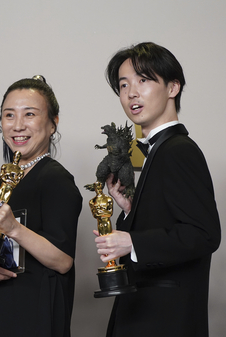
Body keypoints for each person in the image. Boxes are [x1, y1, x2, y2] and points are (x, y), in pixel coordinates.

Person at [94, 42, 221, 337]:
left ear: (173, 87)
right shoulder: (160, 150)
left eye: (143, 80)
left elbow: (204, 234)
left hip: (164, 320)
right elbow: (168, 224)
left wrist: (131, 243)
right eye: (123, 85)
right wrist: (129, 210)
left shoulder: (178, 150)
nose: (131, 93)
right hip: (145, 313)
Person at [0, 76, 82, 337]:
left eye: (29, 114)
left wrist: (14, 228)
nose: (18, 125)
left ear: (53, 123)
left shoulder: (56, 180)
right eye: (9, 115)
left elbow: (63, 261)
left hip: (35, 315)